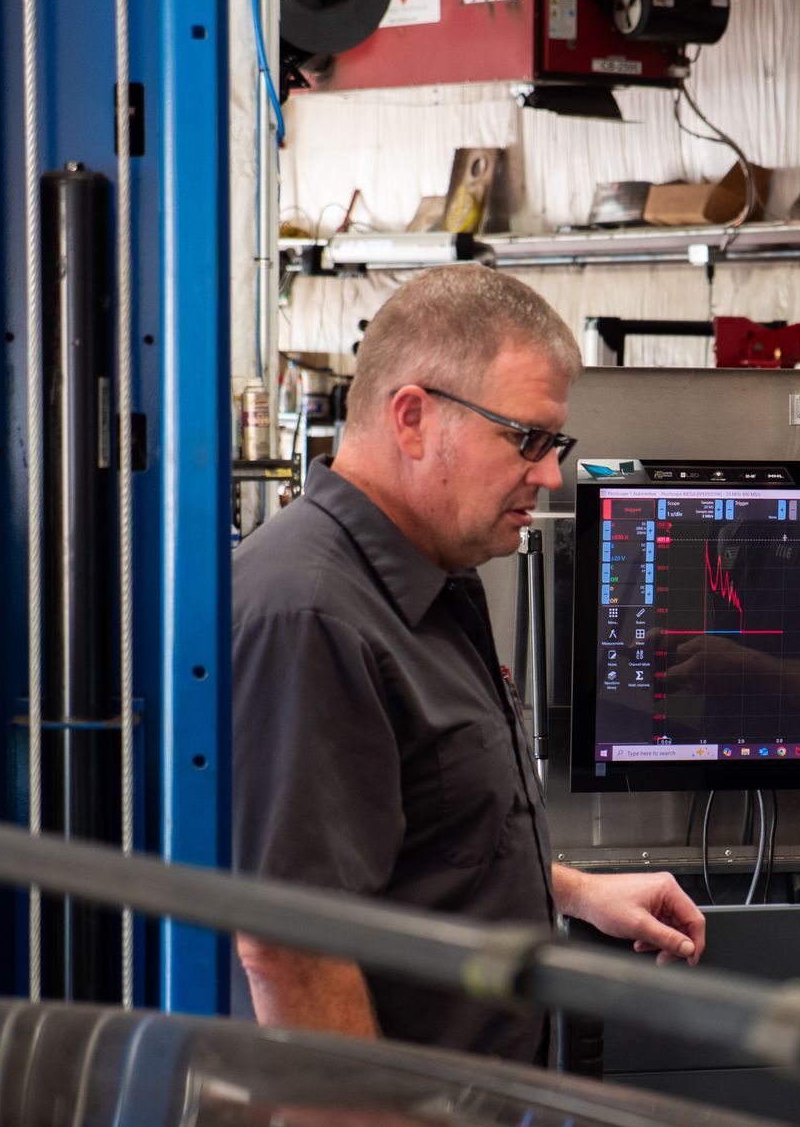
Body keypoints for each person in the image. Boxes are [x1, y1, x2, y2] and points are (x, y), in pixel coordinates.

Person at [230, 265, 706, 1060]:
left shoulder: (433, 580)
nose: (549, 475)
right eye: (527, 438)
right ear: (412, 419)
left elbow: (412, 835)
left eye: (556, 444)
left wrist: (575, 891)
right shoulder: (311, 617)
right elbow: (290, 947)